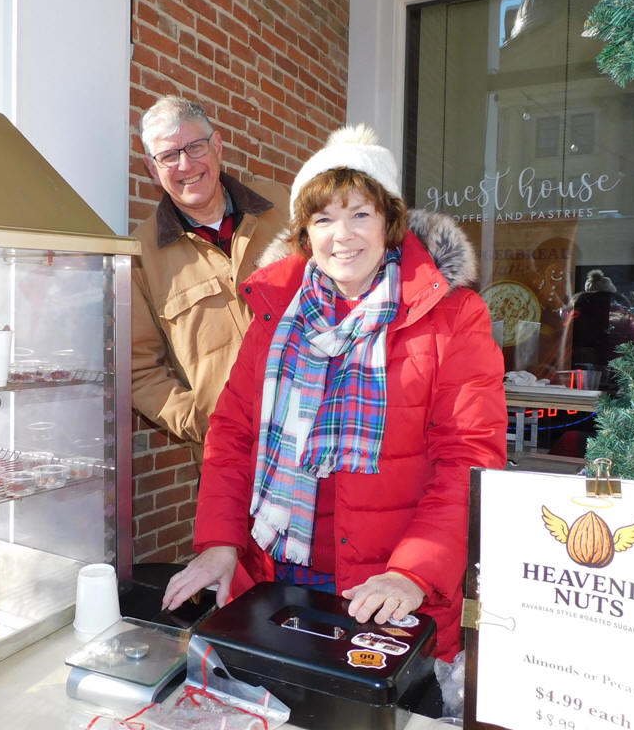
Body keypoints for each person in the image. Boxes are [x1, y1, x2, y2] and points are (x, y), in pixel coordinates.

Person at [162, 124, 508, 661]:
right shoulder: (277, 317)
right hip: (275, 576)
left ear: (390, 222)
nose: (341, 235)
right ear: (305, 233)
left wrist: (413, 572)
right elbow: (232, 436)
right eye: (323, 218)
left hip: (385, 592)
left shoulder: (454, 317)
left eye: (360, 214)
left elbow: (468, 459)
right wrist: (220, 543)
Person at [131, 96, 290, 458]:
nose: (185, 164)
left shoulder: (282, 206)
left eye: (195, 147)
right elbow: (138, 370)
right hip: (232, 459)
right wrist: (203, 421)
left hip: (320, 436)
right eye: (168, 156)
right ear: (152, 169)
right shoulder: (141, 255)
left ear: (217, 146)